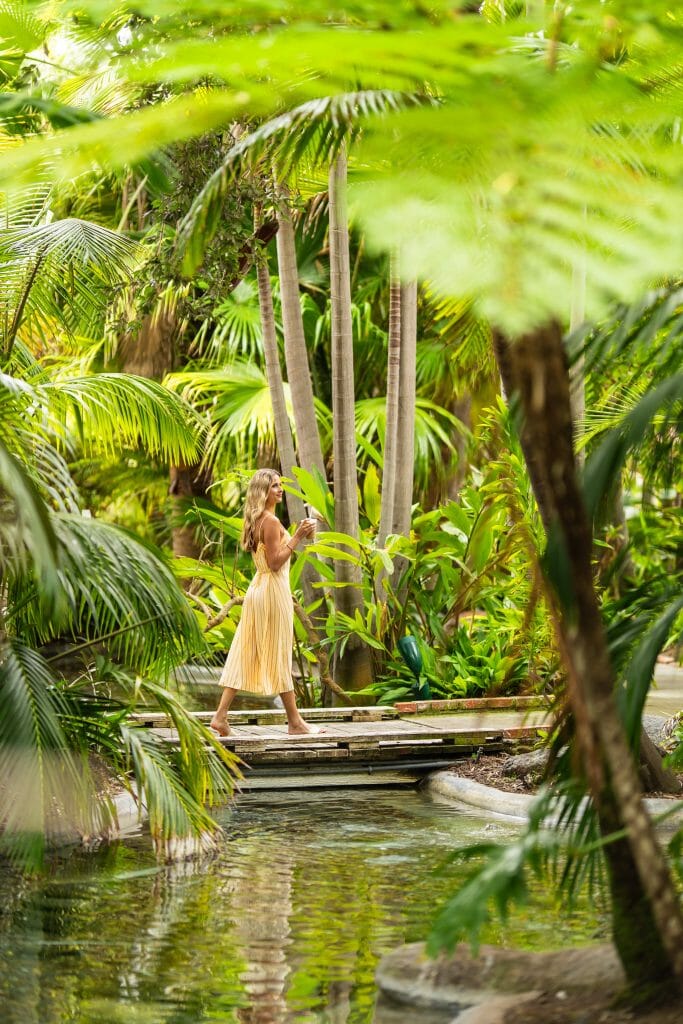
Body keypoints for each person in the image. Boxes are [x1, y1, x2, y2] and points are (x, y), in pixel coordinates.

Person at [210, 468, 320, 737]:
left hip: (258, 590)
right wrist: (296, 537)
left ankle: (220, 716)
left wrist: (302, 533)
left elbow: (271, 556)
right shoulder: (269, 521)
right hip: (271, 591)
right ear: (263, 491)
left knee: (245, 651)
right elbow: (274, 562)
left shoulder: (256, 519)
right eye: (274, 486)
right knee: (280, 652)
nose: (280, 489)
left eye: (280, 485)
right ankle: (295, 723)